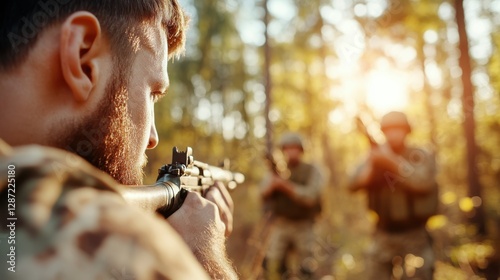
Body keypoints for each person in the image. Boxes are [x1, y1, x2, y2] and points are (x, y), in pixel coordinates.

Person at [0, 1, 237, 279]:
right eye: (152, 93)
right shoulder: (98, 239)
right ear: (83, 58)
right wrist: (206, 255)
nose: (153, 138)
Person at [349, 111, 438, 280]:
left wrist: (391, 161)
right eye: (389, 129)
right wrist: (372, 165)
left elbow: (423, 182)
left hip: (415, 234)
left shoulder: (419, 155)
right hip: (383, 233)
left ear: (407, 131)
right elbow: (352, 184)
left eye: (399, 129)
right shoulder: (375, 156)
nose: (394, 134)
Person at [260, 133, 325, 279]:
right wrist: (273, 184)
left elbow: (310, 197)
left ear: (301, 150)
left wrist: (285, 186)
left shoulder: (312, 170)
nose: (291, 152)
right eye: (288, 148)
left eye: (295, 148)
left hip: (305, 225)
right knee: (273, 264)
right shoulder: (278, 171)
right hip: (281, 224)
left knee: (307, 267)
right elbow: (263, 193)